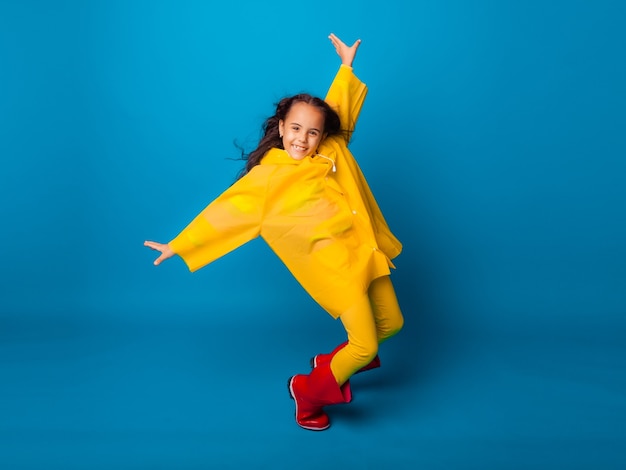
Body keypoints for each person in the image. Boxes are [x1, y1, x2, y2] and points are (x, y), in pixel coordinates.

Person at [144, 33, 404, 431]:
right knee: (364, 344)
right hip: (337, 271)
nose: (303, 138)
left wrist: (346, 68)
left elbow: (338, 113)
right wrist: (179, 245)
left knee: (392, 324)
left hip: (364, 250)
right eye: (296, 129)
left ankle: (330, 365)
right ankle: (307, 392)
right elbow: (226, 211)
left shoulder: (332, 148)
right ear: (281, 127)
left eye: (312, 132)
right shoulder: (269, 178)